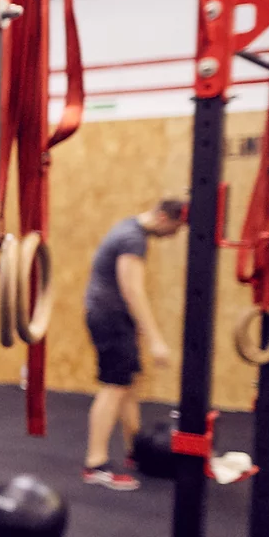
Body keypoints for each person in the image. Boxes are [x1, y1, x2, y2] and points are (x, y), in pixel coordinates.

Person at [82, 198, 187, 491]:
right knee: (114, 386)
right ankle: (95, 464)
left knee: (128, 384)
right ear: (164, 217)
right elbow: (132, 290)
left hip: (113, 317)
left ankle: (135, 450)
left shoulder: (128, 228)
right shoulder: (132, 238)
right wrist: (155, 338)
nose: (174, 235)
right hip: (110, 317)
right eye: (176, 228)